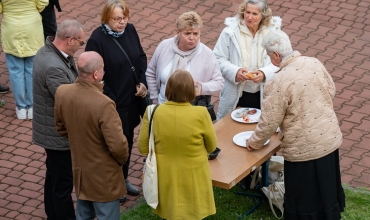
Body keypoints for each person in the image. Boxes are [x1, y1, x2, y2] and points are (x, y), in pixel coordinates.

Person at [246, 30, 345, 219]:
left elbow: (269, 122)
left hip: (303, 150)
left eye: (269, 55)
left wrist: (254, 142)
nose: (270, 59)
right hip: (329, 139)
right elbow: (331, 90)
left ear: (275, 55)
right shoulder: (314, 62)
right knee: (326, 191)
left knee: (304, 200)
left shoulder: (278, 81)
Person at [54, 51, 129, 220]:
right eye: (102, 68)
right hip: (104, 178)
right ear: (96, 74)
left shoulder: (62, 92)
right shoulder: (104, 104)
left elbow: (61, 128)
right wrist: (121, 160)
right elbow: (118, 146)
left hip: (80, 173)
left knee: (83, 216)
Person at [85, 0, 147, 200]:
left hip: (130, 101)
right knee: (111, 146)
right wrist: (110, 98)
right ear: (106, 18)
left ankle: (124, 178)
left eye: (125, 17)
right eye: (117, 18)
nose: (122, 22)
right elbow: (95, 76)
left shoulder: (130, 30)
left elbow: (141, 57)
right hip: (111, 103)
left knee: (126, 141)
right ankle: (113, 185)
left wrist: (142, 82)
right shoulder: (97, 40)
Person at [138, 70, 217, 219]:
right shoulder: (201, 113)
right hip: (195, 174)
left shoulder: (152, 112)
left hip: (164, 175)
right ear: (191, 90)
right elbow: (212, 147)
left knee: (169, 213)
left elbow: (142, 148)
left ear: (168, 89)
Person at [33, 19, 85, 219]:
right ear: (69, 40)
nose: (80, 47)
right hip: (58, 136)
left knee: (53, 179)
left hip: (50, 131)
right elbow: (69, 102)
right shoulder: (54, 67)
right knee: (62, 186)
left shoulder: (48, 51)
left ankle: (52, 214)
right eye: (80, 42)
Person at [213, 0, 282, 121]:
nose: (249, 17)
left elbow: (283, 60)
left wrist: (264, 74)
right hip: (236, 94)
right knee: (229, 129)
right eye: (247, 12)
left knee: (260, 131)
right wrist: (235, 72)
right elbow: (217, 58)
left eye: (255, 14)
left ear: (263, 16)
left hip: (264, 93)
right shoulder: (230, 32)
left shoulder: (275, 34)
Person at [145, 11, 223, 107]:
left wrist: (202, 87)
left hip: (191, 112)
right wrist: (155, 100)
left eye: (196, 34)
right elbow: (151, 72)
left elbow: (219, 83)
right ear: (178, 32)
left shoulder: (207, 54)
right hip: (162, 106)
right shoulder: (164, 46)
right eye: (187, 33)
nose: (192, 38)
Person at [0, 0, 48, 119]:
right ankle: (32, 106)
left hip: (11, 27)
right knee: (32, 70)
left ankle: (21, 107)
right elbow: (43, 2)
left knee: (15, 71)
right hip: (32, 26)